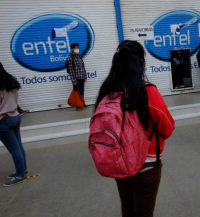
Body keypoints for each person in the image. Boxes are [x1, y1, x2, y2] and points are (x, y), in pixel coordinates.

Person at [95, 40, 175, 217]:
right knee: (143, 212)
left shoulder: (107, 91)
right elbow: (168, 128)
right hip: (146, 162)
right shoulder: (147, 92)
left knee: (127, 208)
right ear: (142, 64)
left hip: (118, 158)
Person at [0, 60, 28, 187]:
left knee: (14, 150)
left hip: (3, 121)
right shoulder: (11, 83)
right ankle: (22, 169)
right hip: (15, 116)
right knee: (18, 146)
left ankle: (20, 175)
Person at [66, 43, 88, 110]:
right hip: (76, 79)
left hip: (81, 77)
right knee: (77, 92)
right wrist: (73, 80)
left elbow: (83, 67)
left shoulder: (79, 57)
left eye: (77, 47)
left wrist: (85, 76)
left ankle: (82, 103)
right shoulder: (70, 58)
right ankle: (78, 106)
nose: (77, 49)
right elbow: (71, 70)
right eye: (75, 48)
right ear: (72, 49)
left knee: (82, 91)